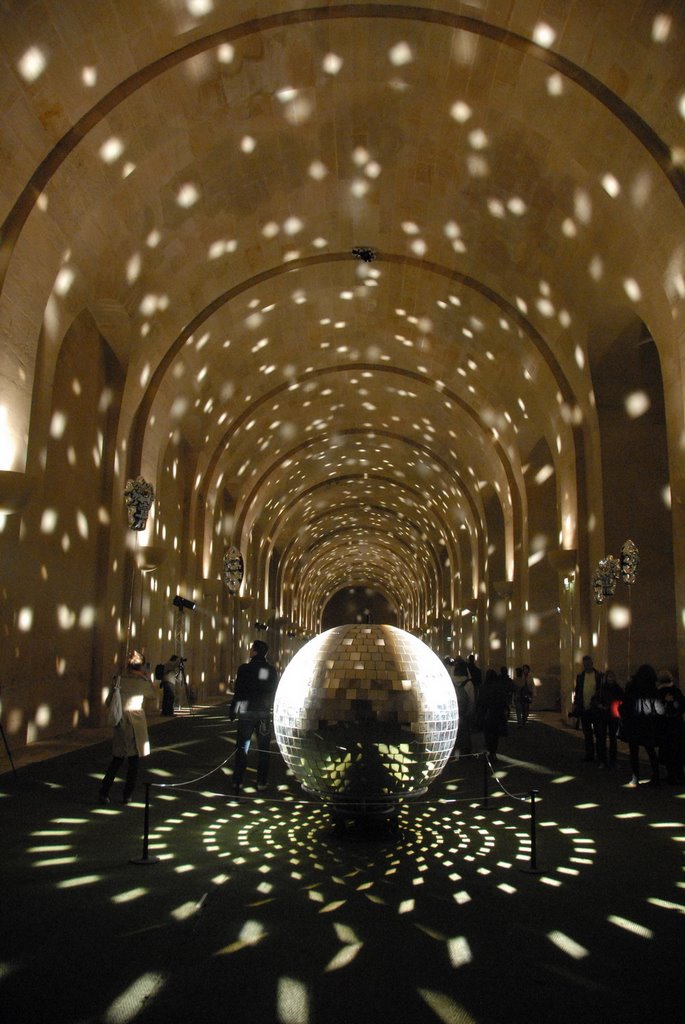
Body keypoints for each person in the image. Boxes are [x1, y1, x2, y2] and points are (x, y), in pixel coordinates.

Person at [99, 651, 158, 804]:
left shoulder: (118, 680)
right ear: (142, 666)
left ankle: (104, 792)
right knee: (134, 762)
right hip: (136, 723)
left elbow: (108, 702)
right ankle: (127, 795)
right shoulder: (142, 682)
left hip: (121, 723)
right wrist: (148, 677)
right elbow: (153, 696)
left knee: (117, 759)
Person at [229, 640, 279, 793]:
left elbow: (239, 691)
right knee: (264, 750)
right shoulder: (270, 670)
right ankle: (261, 781)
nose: (250, 650)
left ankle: (238, 781)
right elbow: (272, 690)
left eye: (252, 649)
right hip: (263, 712)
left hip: (246, 711)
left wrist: (233, 709)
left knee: (242, 748)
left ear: (255, 651)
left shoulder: (244, 669)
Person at [619, 663, 663, 787]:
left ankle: (635, 776)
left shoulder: (633, 687)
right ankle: (656, 775)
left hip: (634, 723)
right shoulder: (653, 689)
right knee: (650, 750)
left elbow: (626, 704)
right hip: (648, 723)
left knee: (634, 751)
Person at [571, 654, 605, 762]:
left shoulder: (599, 676)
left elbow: (602, 692)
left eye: (588, 664)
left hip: (596, 709)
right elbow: (578, 691)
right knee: (587, 734)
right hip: (584, 709)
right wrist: (576, 704)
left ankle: (600, 755)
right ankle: (590, 755)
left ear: (592, 664)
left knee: (599, 734)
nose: (587, 666)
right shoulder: (580, 677)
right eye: (585, 664)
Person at [475, 667, 511, 765]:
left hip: (487, 715)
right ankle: (493, 752)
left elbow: (480, 702)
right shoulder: (498, 688)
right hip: (496, 714)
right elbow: (503, 701)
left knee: (487, 734)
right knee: (495, 735)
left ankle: (489, 749)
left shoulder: (483, 688)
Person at [656, 668, 685, 784]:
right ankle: (680, 774)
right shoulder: (677, 691)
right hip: (677, 726)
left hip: (665, 727)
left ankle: (671, 775)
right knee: (678, 750)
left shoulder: (658, 693)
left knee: (668, 751)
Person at [593, 668, 624, 766]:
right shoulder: (602, 689)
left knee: (613, 738)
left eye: (612, 677)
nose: (611, 679)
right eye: (609, 677)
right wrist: (600, 705)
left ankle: (612, 759)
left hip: (613, 715)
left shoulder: (617, 689)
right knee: (602, 738)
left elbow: (622, 700)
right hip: (604, 715)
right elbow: (595, 699)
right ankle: (602, 759)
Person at [452, 657, 475, 758]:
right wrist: (471, 712)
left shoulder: (451, 681)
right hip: (464, 711)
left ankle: (453, 748)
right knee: (465, 731)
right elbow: (472, 700)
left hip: (454, 710)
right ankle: (465, 750)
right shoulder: (468, 683)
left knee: (455, 730)